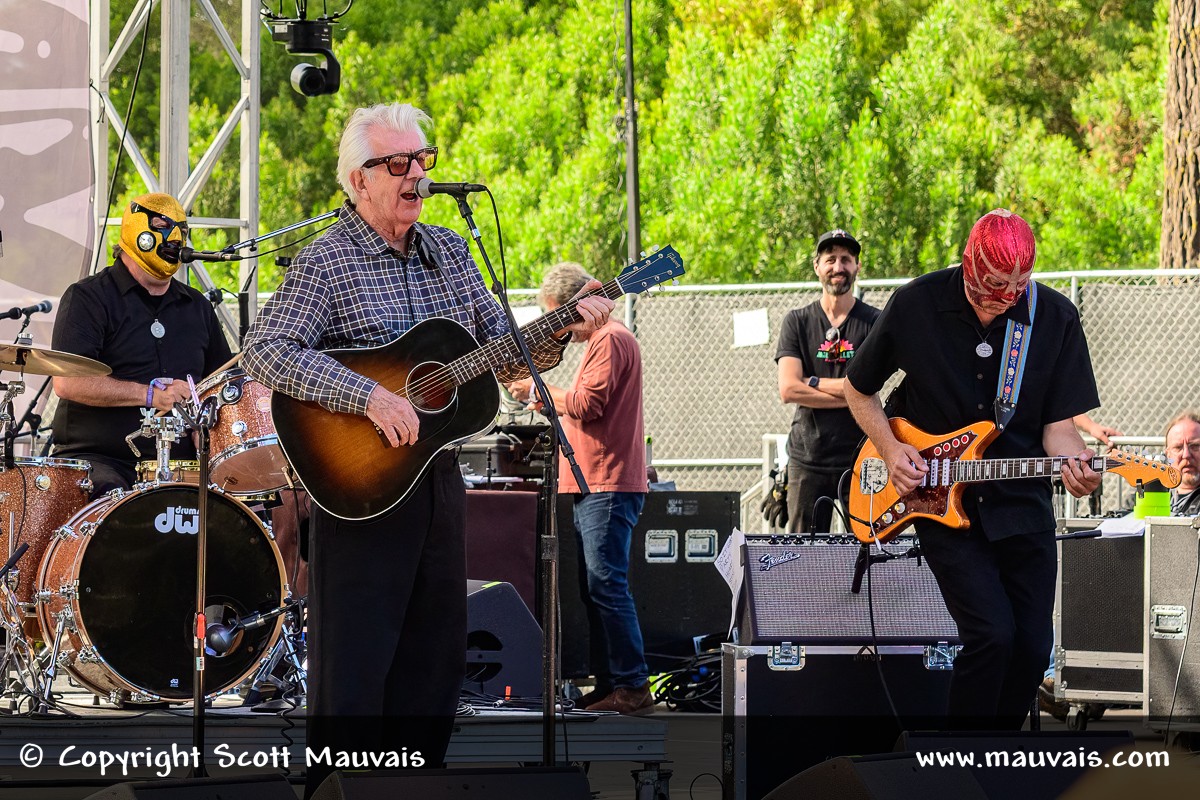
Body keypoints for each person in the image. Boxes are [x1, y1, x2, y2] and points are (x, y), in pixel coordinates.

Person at [239, 103, 613, 796]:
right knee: (356, 668)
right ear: (360, 179)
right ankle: (339, 791)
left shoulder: (451, 250)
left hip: (437, 479)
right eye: (399, 163)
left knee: (434, 661)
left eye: (423, 159)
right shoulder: (328, 260)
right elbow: (263, 349)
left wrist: (562, 329)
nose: (417, 174)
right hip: (358, 488)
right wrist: (368, 397)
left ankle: (414, 787)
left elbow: (506, 354)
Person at [844, 209, 1101, 730]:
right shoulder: (918, 303)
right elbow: (858, 387)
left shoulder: (1054, 317)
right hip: (939, 501)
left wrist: (1080, 467)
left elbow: (1059, 431)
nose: (1002, 299)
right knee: (991, 636)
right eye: (990, 287)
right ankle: (960, 759)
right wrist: (891, 450)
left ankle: (993, 755)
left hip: (1022, 504)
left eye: (1015, 288)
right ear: (968, 263)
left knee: (1033, 648)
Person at [506, 262, 652, 716]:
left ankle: (632, 686)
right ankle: (613, 685)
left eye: (559, 317)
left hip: (606, 480)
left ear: (576, 306)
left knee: (606, 585)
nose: (560, 329)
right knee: (597, 588)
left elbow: (588, 404)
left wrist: (536, 390)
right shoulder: (607, 340)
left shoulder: (609, 339)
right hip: (597, 480)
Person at [51, 193, 233, 496]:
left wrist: (210, 426)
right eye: (161, 227)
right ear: (137, 231)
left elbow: (222, 384)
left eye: (181, 231)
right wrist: (151, 395)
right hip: (99, 461)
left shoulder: (197, 306)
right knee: (106, 493)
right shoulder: (88, 298)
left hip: (184, 465)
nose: (174, 238)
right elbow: (68, 382)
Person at [774, 229, 880, 533]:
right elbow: (788, 389)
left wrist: (812, 382)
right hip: (807, 459)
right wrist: (852, 391)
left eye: (846, 259)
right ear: (817, 266)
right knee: (805, 552)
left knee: (866, 548)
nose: (838, 267)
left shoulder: (874, 322)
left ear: (857, 267)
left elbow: (870, 388)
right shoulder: (797, 321)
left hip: (861, 458)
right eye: (830, 259)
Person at [1164, 411, 1200, 515]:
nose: (1186, 455)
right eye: (1178, 447)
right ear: (1168, 455)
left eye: (1195, 446)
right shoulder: (1150, 493)